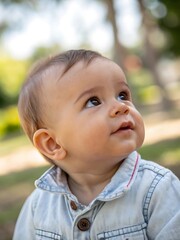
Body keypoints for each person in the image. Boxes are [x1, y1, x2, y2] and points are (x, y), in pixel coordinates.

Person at [13, 49, 180, 240]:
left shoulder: (158, 190)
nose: (121, 107)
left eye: (122, 95)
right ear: (52, 144)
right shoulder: (38, 208)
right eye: (93, 102)